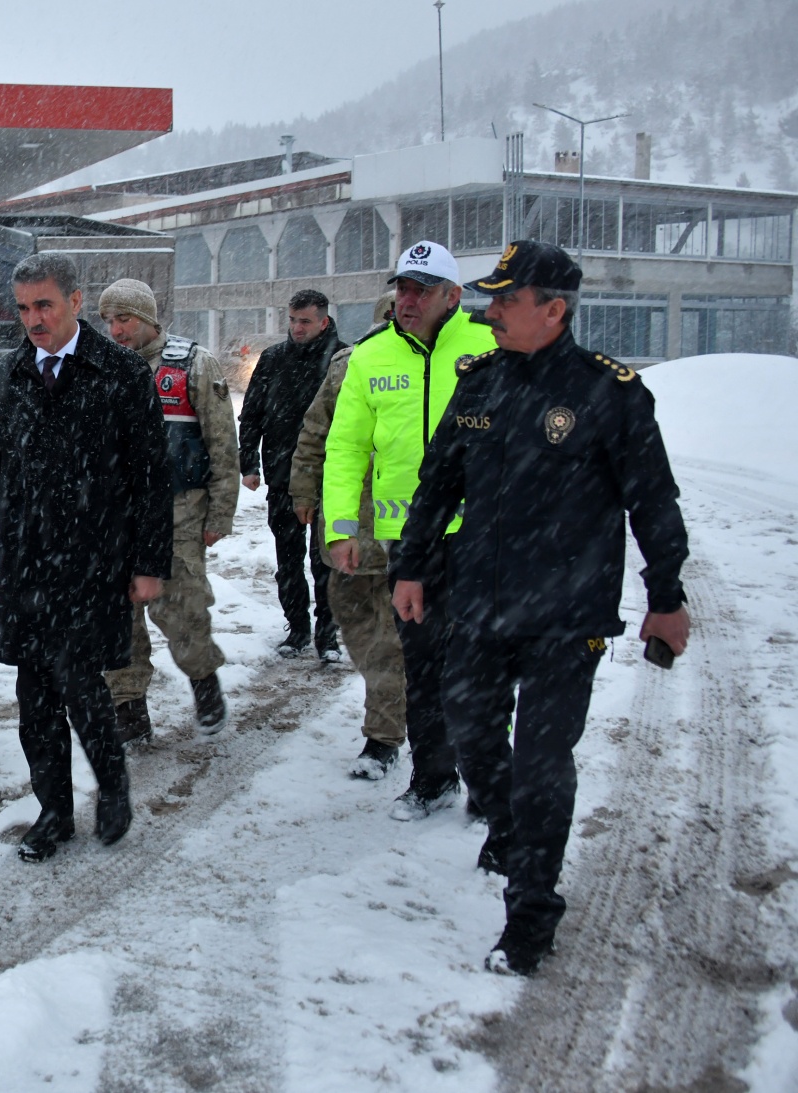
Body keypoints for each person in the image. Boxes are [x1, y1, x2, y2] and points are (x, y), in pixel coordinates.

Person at [392, 241, 690, 976]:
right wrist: (412, 566)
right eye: (490, 299)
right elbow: (437, 483)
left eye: (507, 301)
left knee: (542, 763)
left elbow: (654, 502)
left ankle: (530, 911)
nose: (491, 313)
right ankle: (509, 825)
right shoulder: (481, 383)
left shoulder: (610, 394)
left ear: (553, 310)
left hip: (566, 616)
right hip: (480, 605)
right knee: (470, 737)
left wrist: (667, 598)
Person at [0, 254, 171, 863]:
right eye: (23, 308)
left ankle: (113, 786)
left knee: (81, 684)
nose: (33, 320)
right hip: (28, 562)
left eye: (44, 305)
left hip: (95, 558)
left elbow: (151, 477)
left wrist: (150, 562)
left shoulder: (121, 373)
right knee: (35, 696)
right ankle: (52, 810)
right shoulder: (10, 372)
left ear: (77, 302)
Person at [323, 241, 496, 820]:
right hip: (410, 542)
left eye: (422, 289)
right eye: (402, 288)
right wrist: (341, 529)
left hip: (484, 538)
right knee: (420, 666)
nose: (408, 299)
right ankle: (432, 779)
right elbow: (344, 448)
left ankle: (490, 784)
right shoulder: (369, 357)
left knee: (481, 667)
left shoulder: (490, 346)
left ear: (454, 295)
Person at [97, 278, 238, 741]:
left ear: (149, 318)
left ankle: (204, 682)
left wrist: (220, 514)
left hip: (179, 513)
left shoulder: (193, 365)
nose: (116, 330)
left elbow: (222, 444)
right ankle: (129, 708)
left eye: (125, 319)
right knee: (116, 619)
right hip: (114, 518)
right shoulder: (99, 368)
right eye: (109, 320)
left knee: (181, 609)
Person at [288, 292, 406, 779]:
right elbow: (316, 432)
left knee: (396, 639)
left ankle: (384, 734)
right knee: (364, 630)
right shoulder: (348, 365)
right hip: (353, 526)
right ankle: (394, 706)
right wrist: (303, 491)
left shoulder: (452, 368)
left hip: (416, 533)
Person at [238, 289, 345, 660]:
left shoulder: (344, 359)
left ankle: (327, 635)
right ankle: (297, 628)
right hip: (282, 473)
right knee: (288, 557)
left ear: (323, 321)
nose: (297, 328)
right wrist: (248, 462)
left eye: (305, 321)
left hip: (333, 477)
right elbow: (251, 414)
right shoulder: (273, 359)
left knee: (326, 560)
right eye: (293, 320)